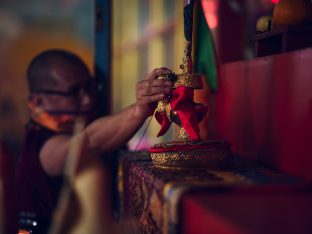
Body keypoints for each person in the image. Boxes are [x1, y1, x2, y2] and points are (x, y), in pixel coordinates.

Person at [15, 49, 172, 233]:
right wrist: (138, 111)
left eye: (89, 87)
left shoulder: (75, 124)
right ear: (39, 102)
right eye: (74, 92)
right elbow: (88, 143)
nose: (88, 99)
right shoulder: (46, 147)